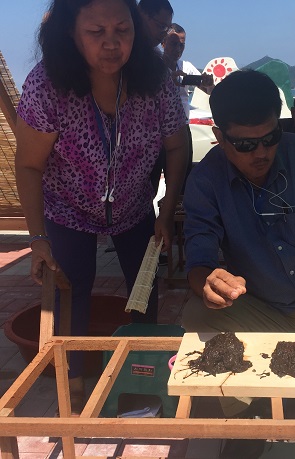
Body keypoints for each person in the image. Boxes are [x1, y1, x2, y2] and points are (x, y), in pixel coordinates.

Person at [182, 70, 295, 458]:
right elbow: (199, 253)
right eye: (246, 144)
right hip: (260, 309)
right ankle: (244, 420)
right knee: (197, 314)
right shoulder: (205, 179)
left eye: (270, 138)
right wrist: (207, 281)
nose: (262, 152)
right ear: (219, 137)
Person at [15, 0, 188, 415]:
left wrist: (167, 211)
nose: (112, 44)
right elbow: (29, 164)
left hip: (133, 205)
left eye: (122, 31)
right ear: (70, 33)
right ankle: (73, 388)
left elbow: (178, 145)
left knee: (144, 292)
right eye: (96, 32)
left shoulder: (156, 80)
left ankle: (141, 380)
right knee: (70, 291)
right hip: (67, 207)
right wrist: (38, 238)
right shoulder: (47, 86)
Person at [162, 23, 214, 190]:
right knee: (151, 178)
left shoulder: (186, 67)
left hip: (182, 128)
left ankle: (176, 213)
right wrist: (166, 78)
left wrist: (208, 83)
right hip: (155, 131)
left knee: (181, 179)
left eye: (182, 44)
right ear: (163, 43)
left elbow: (209, 91)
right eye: (174, 43)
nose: (178, 49)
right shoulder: (153, 66)